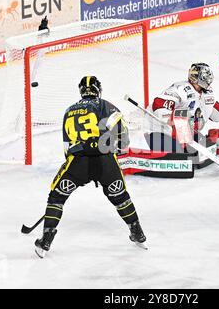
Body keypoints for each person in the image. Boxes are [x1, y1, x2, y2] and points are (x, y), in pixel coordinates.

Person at [34, 76, 146, 258]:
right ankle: (137, 232)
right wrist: (112, 150)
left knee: (56, 197)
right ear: (98, 90)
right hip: (105, 160)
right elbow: (124, 137)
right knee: (121, 197)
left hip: (78, 162)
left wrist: (74, 170)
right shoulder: (105, 105)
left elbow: (66, 147)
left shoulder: (69, 111)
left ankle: (46, 240)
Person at [146, 63, 219, 153]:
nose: (208, 81)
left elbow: (217, 111)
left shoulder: (207, 93)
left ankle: (187, 148)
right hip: (160, 132)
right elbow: (158, 105)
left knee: (203, 146)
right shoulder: (180, 89)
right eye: (205, 78)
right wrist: (178, 121)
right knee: (179, 151)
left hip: (187, 134)